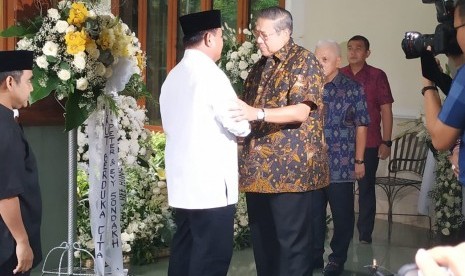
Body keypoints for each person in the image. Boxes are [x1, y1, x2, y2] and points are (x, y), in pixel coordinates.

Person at [232, 6, 329, 276]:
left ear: (285, 32)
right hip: (257, 172)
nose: (258, 40)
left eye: (264, 35)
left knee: (292, 246)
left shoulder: (303, 61)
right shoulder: (258, 68)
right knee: (264, 245)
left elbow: (300, 111)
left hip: (290, 173)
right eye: (256, 34)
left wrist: (258, 113)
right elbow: (248, 114)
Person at [159, 10, 250, 276]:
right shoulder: (212, 75)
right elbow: (238, 121)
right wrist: (247, 126)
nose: (222, 42)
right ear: (209, 38)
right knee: (211, 256)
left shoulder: (173, 76)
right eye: (221, 36)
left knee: (185, 249)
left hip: (183, 183)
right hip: (210, 185)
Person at [312, 40, 369, 276]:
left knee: (342, 217)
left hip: (342, 165)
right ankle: (313, 255)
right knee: (312, 216)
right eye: (316, 59)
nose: (319, 64)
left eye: (324, 59)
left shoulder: (353, 88)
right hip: (312, 165)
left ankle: (337, 259)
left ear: (338, 61)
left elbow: (362, 125)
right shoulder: (308, 86)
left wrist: (359, 160)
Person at [340, 35, 394, 244]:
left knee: (365, 189)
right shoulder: (339, 75)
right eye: (350, 48)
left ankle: (364, 234)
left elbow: (386, 110)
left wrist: (386, 141)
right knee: (341, 190)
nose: (353, 52)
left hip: (370, 142)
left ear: (367, 53)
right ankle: (343, 231)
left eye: (358, 48)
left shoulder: (377, 75)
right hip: (341, 143)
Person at [0, 50, 42, 276]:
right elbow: (6, 192)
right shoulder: (5, 128)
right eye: (29, 81)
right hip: (7, 248)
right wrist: (22, 241)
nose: (32, 88)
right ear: (10, 82)